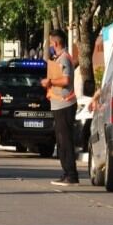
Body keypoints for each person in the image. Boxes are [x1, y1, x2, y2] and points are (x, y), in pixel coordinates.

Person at [42, 29, 79, 186]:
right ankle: (66, 173)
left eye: (50, 42)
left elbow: (66, 80)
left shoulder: (64, 58)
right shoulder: (58, 58)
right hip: (59, 104)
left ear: (56, 43)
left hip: (65, 104)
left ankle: (71, 175)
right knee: (61, 141)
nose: (50, 45)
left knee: (66, 141)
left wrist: (50, 82)